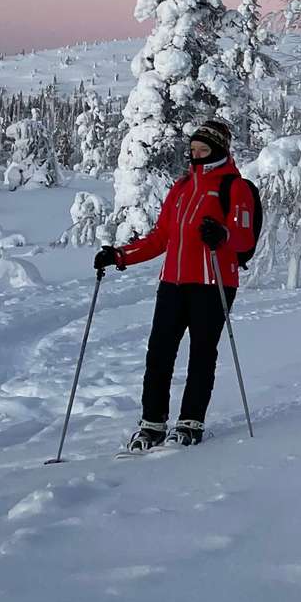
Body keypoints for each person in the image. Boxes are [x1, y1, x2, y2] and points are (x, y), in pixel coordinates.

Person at [95, 120, 257, 451]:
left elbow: (243, 238)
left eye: (203, 150)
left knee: (201, 354)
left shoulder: (234, 187)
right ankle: (152, 423)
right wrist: (119, 255)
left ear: (219, 150)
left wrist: (222, 235)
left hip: (213, 283)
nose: (196, 156)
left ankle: (190, 421)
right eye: (193, 150)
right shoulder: (181, 188)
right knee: (159, 353)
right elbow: (160, 239)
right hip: (173, 283)